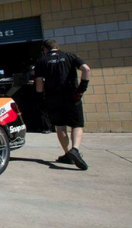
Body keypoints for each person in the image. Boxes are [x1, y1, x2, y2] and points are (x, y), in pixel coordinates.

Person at [34, 39, 90, 170]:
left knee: (60, 127)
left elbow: (39, 82)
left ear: (44, 49)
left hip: (52, 98)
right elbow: (86, 69)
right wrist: (81, 89)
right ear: (57, 47)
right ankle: (74, 150)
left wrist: (40, 97)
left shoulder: (41, 61)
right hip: (72, 96)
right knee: (77, 125)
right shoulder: (70, 56)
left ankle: (67, 154)